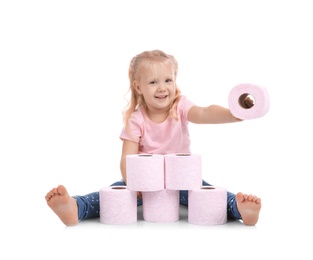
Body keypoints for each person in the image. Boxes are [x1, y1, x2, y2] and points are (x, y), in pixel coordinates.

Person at [45, 50, 261, 226]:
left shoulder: (180, 107)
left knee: (209, 194)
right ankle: (75, 208)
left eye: (168, 80)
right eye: (153, 82)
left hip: (181, 181)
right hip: (145, 184)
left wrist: (234, 114)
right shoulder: (136, 120)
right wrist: (133, 184)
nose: (162, 88)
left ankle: (240, 208)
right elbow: (126, 158)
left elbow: (204, 113)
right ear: (139, 87)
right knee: (113, 194)